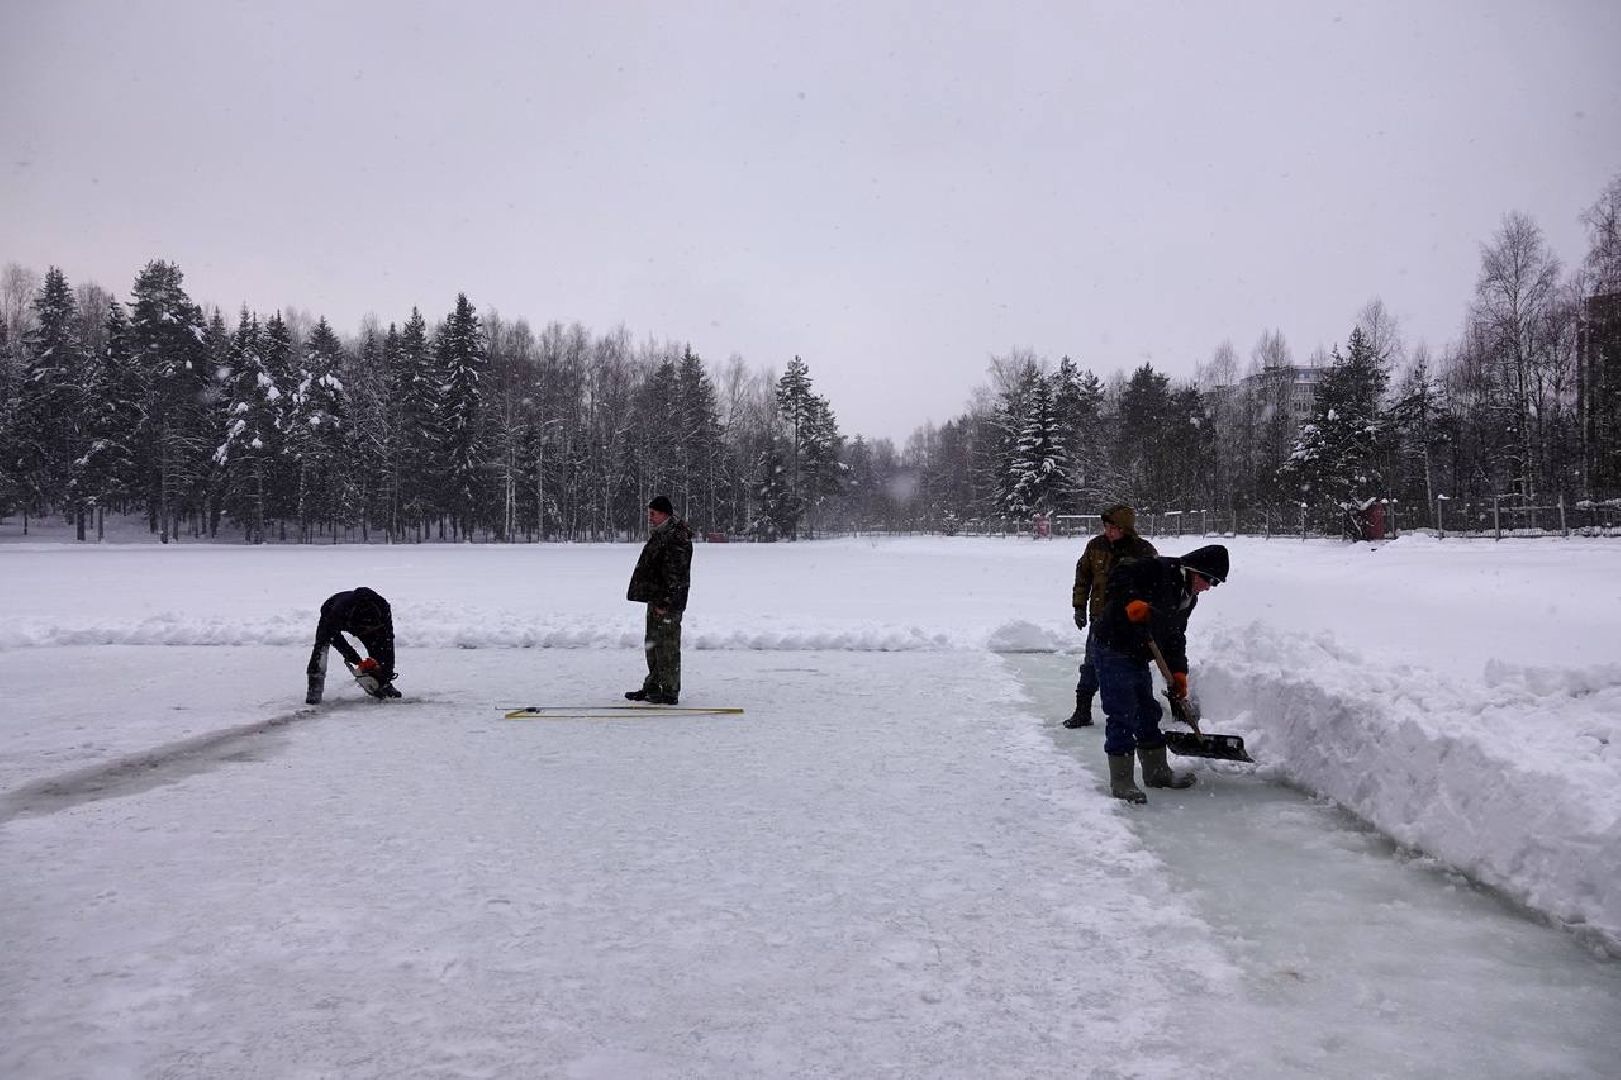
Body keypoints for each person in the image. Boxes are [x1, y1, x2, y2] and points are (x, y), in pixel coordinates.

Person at [1090, 544, 1229, 803]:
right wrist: (1132, 601)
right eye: (1209, 580)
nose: (1209, 587)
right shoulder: (1159, 569)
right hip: (1113, 645)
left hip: (1138, 651)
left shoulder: (1188, 596)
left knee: (1147, 710)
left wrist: (1178, 673)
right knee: (1122, 712)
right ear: (1194, 570)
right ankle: (1122, 781)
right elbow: (1119, 575)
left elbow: (1176, 636)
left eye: (1215, 584)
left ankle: (1156, 772)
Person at [1065, 505, 1157, 728]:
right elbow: (1083, 576)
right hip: (1100, 619)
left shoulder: (1142, 551)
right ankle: (1083, 709)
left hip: (1130, 622)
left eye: (1114, 527)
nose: (1109, 531)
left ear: (1126, 528)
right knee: (1091, 664)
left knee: (1133, 666)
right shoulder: (1095, 546)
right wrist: (1079, 606)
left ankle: (1137, 711)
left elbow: (1155, 584)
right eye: (1106, 526)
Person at [625, 495, 693, 705]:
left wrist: (666, 601)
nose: (649, 517)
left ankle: (670, 690)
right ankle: (654, 686)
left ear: (664, 513)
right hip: (657, 598)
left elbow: (676, 573)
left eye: (653, 513)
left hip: (667, 602)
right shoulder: (662, 533)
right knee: (653, 645)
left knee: (668, 646)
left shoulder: (676, 536)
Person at [306, 586, 400, 703]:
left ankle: (382, 683)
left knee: (378, 645)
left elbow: (388, 642)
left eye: (371, 628)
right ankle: (314, 689)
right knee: (320, 650)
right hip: (333, 610)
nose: (368, 632)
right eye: (366, 629)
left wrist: (386, 673)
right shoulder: (337, 613)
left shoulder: (383, 608)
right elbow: (333, 637)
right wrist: (355, 659)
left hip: (362, 620)